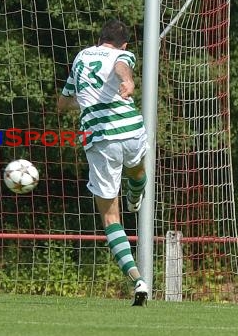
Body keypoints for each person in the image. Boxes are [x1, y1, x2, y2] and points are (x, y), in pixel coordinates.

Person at [57, 19, 149, 306]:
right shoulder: (121, 54)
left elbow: (62, 104)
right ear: (123, 43)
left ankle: (137, 279)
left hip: (100, 140)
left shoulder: (81, 56)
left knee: (110, 217)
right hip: (131, 130)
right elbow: (122, 67)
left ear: (99, 38)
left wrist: (85, 102)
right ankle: (135, 195)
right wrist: (128, 81)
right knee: (137, 168)